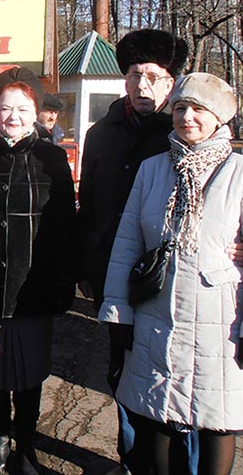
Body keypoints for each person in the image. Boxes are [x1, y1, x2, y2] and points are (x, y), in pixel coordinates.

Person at [98, 72, 242, 475]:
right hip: (156, 314)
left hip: (219, 319)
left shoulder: (240, 173)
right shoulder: (152, 169)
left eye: (198, 109)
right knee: (153, 416)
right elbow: (128, 241)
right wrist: (118, 309)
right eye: (180, 107)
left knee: (216, 420)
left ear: (219, 118)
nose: (187, 117)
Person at [76, 29, 197, 475]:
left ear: (170, 82)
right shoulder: (101, 133)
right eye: (133, 75)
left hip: (173, 280)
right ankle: (132, 460)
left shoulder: (185, 129)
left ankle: (181, 465)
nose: (142, 85)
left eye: (153, 76)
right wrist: (87, 265)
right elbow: (88, 203)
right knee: (122, 369)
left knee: (176, 376)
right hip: (113, 271)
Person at [0, 67, 76, 475]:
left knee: (28, 373)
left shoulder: (52, 158)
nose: (13, 116)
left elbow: (64, 226)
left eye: (22, 108)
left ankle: (26, 444)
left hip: (33, 287)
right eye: (6, 108)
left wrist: (63, 283)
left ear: (35, 111)